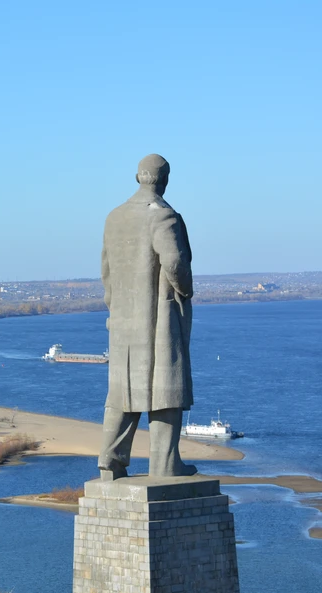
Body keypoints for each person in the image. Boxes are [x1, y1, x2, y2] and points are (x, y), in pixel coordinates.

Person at [99, 154, 197, 480]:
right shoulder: (163, 217)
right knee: (165, 389)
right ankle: (165, 464)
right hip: (158, 318)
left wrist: (115, 309)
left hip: (123, 321)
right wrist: (186, 290)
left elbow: (107, 273)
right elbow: (175, 264)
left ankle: (110, 462)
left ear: (137, 177)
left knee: (122, 392)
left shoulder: (114, 218)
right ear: (164, 179)